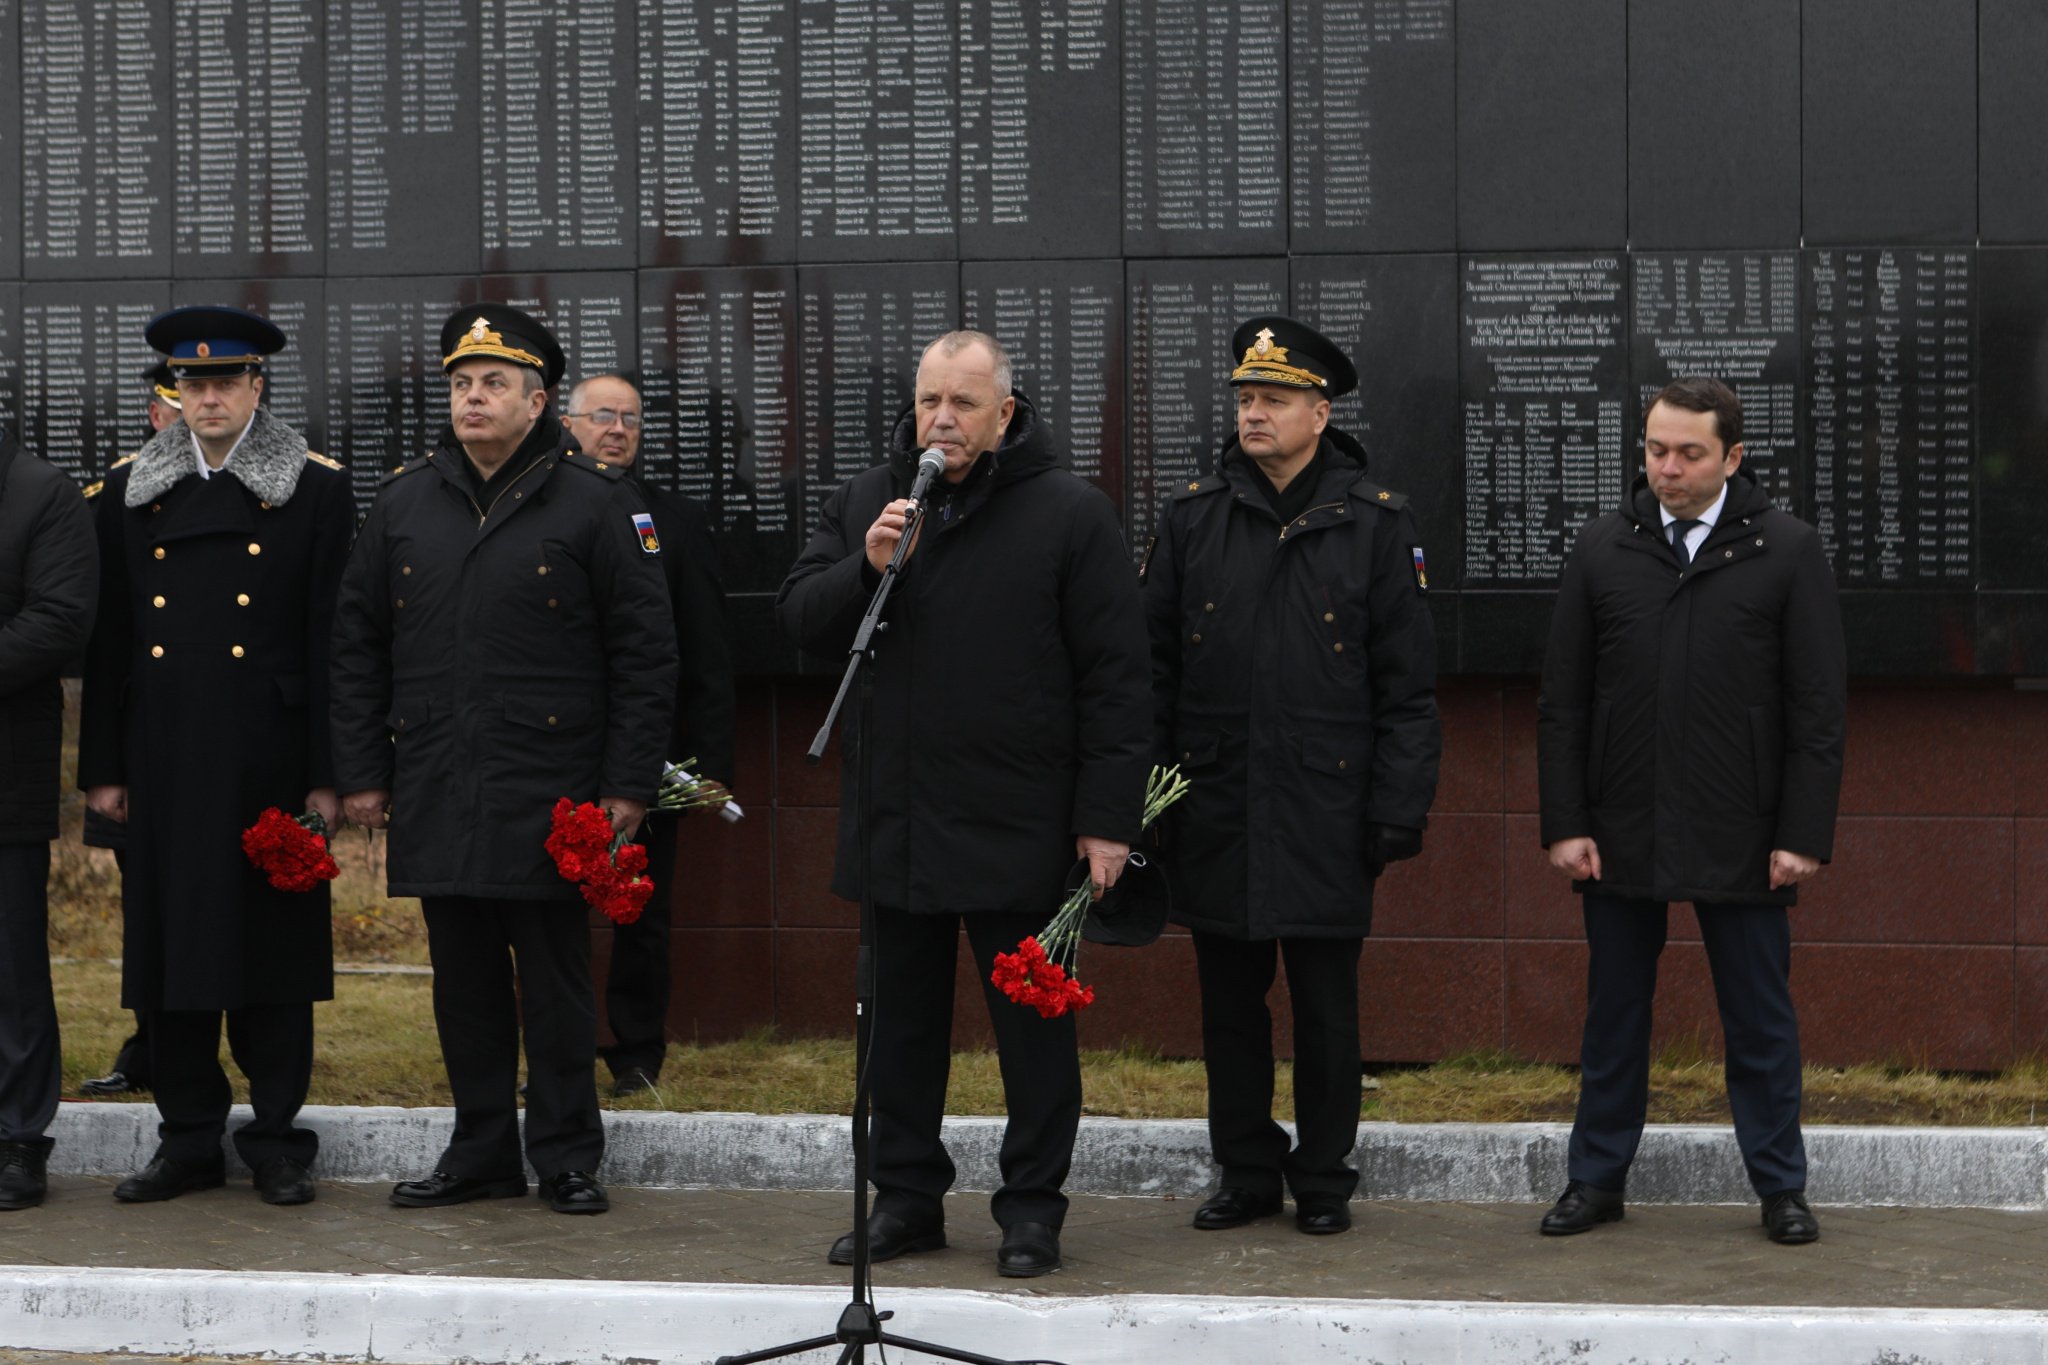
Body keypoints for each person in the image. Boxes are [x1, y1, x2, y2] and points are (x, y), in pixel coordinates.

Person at [776, 329, 1150, 1278]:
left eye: (965, 404)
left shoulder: (1071, 514)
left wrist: (1108, 819)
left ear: (1006, 414)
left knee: (1032, 1033)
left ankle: (1032, 1207)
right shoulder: (874, 500)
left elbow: (1117, 678)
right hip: (895, 821)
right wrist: (865, 565)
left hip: (1020, 826)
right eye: (930, 402)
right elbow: (800, 621)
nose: (942, 420)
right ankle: (904, 1199)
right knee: (896, 1032)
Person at [331, 305, 676, 1216]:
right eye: (459, 383)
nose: (472, 397)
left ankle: (565, 1152)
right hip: (441, 775)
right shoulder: (405, 500)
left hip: (553, 785)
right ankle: (480, 1147)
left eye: (492, 383)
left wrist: (627, 787)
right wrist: (365, 768)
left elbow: (647, 654)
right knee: (464, 980)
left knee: (557, 979)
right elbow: (358, 641)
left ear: (539, 401)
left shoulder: (599, 502)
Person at [1143, 316, 1440, 1237]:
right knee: (1228, 1006)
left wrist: (1397, 808)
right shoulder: (1193, 516)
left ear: (1320, 411)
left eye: (1272, 398)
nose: (1253, 413)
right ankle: (1244, 1168)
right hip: (1218, 801)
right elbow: (1151, 672)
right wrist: (1146, 798)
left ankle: (1322, 1175)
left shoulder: (1377, 522)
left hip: (1327, 808)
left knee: (1324, 1008)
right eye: (1243, 398)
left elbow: (1409, 691)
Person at [1536, 376, 1846, 1246]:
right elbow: (1564, 700)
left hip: (1743, 830)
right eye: (1654, 449)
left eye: (1689, 453)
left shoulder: (1785, 549)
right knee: (1614, 1018)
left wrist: (1801, 834)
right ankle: (1595, 1180)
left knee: (1759, 1021)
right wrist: (1565, 821)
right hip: (1620, 825)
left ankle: (1781, 1186)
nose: (1666, 468)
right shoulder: (1603, 547)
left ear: (1734, 457)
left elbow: (1817, 708)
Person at [78, 306, 354, 1206]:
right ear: (175, 392)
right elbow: (111, 641)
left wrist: (329, 771)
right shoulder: (127, 490)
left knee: (270, 953)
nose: (208, 396)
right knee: (171, 950)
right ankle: (189, 1137)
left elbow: (328, 639)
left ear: (256, 387)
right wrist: (104, 770)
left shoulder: (314, 488)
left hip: (268, 753)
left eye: (225, 381)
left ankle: (276, 1138)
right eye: (192, 383)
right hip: (163, 753)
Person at [562, 374, 737, 1098]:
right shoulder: (536, 506)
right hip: (556, 745)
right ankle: (561, 1050)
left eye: (631, 418)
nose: (618, 428)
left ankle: (636, 1050)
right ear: (564, 421)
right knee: (550, 914)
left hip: (650, 752)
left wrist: (709, 764)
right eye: (603, 415)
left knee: (642, 909)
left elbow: (705, 649)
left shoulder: (673, 519)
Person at [0, 425, 99, 1210]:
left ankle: (18, 1139)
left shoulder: (41, 492)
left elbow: (60, 619)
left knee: (11, 973)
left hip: (3, 776)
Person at [81, 361, 184, 1101]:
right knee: (147, 908)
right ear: (156, 417)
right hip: (140, 737)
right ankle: (151, 1040)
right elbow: (103, 640)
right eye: (178, 407)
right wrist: (102, 766)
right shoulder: (112, 498)